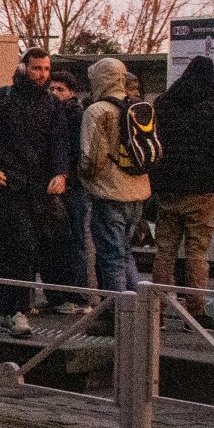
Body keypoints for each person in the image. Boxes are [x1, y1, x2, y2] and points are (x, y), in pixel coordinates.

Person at [0, 47, 75, 335]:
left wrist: (61, 173)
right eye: (36, 68)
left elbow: (60, 142)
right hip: (8, 185)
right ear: (23, 68)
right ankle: (16, 310)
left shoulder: (51, 105)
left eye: (46, 69)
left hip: (39, 188)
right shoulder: (1, 98)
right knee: (20, 246)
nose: (42, 74)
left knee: (29, 248)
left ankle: (11, 308)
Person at [148, 55, 214, 329]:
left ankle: (156, 313)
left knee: (165, 252)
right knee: (197, 252)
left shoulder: (163, 103)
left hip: (168, 188)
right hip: (201, 189)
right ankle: (196, 314)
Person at [77, 57, 150, 293]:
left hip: (109, 193)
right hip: (138, 192)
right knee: (126, 253)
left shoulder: (97, 111)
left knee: (111, 256)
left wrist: (81, 176)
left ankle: (119, 309)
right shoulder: (138, 108)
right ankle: (136, 306)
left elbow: (91, 159)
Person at [44, 70, 92, 308]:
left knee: (73, 240)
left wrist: (67, 176)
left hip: (71, 187)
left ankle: (76, 293)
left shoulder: (75, 116)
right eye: (52, 88)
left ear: (71, 92)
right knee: (57, 242)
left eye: (60, 89)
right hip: (57, 186)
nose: (54, 93)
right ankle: (62, 294)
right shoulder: (52, 113)